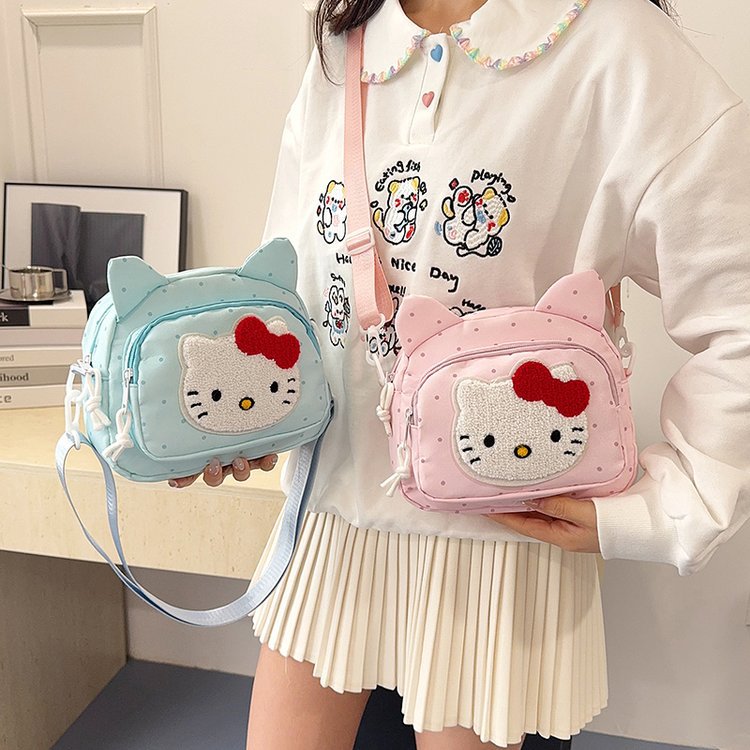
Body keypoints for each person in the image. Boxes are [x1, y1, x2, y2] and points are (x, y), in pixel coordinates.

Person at [171, 1, 750, 747]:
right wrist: (245, 422)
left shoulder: (620, 49)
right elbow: (296, 291)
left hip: (498, 544)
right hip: (331, 525)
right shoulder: (347, 43)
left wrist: (668, 506)